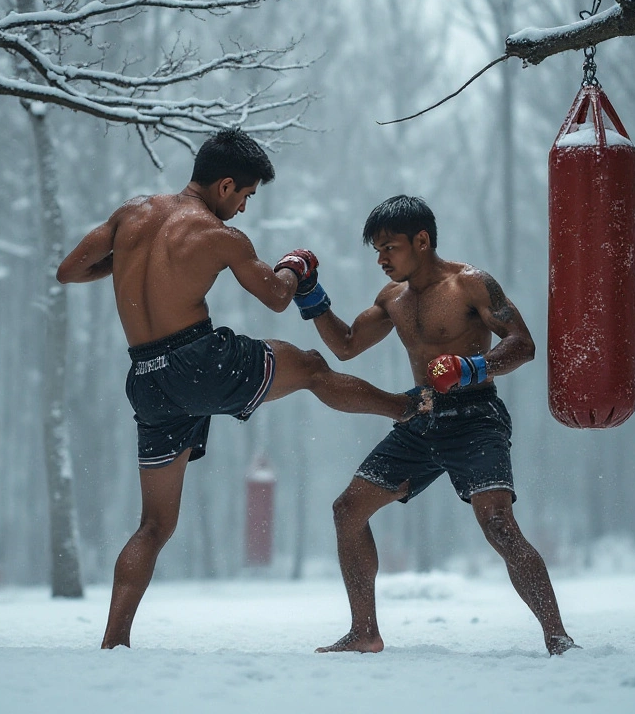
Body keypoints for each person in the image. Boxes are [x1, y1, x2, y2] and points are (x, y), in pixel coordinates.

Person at [55, 130, 427, 649]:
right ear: (226, 185)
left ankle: (113, 644)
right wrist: (294, 268)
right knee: (312, 367)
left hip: (147, 378)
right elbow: (277, 298)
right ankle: (404, 406)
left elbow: (69, 270)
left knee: (154, 526)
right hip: (199, 361)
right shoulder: (218, 234)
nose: (245, 208)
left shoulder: (131, 214)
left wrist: (130, 260)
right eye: (247, 196)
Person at [305, 194, 577, 657]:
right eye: (376, 249)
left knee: (497, 524)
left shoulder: (471, 285)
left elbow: (524, 344)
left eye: (389, 247)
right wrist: (309, 294)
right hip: (422, 415)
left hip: (475, 416)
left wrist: (472, 367)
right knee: (347, 510)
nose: (381, 258)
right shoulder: (393, 299)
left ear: (422, 240)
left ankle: (558, 637)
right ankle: (364, 632)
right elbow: (347, 345)